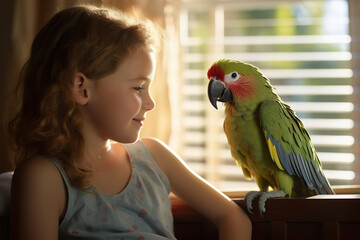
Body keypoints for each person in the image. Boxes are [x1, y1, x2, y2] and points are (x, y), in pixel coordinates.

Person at [8, 5, 252, 240]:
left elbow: (233, 218)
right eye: (138, 87)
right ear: (81, 88)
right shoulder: (42, 177)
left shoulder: (155, 157)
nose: (150, 103)